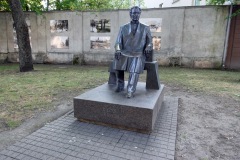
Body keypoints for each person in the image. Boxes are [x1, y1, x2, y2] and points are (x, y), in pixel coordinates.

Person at [113, 6, 153, 98]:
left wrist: (148, 47)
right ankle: (120, 84)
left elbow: (150, 42)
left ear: (140, 14)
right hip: (125, 53)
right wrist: (118, 49)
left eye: (137, 13)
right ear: (130, 14)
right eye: (134, 13)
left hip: (138, 53)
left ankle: (130, 90)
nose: (135, 15)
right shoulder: (123, 27)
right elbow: (118, 41)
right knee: (117, 62)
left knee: (134, 69)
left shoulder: (145, 28)